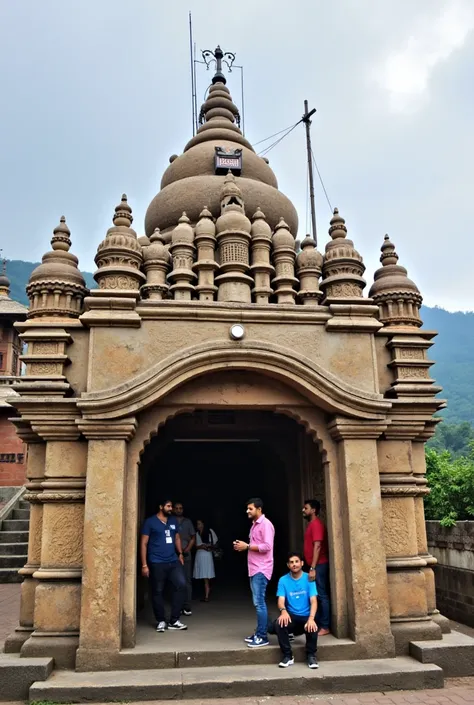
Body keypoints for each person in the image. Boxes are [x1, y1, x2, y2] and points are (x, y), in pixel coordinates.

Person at [140, 498, 188, 632]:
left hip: (173, 560)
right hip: (156, 562)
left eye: (171, 506)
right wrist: (144, 564)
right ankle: (161, 620)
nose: (170, 508)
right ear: (161, 507)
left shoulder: (173, 520)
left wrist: (180, 553)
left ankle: (174, 620)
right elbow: (143, 543)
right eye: (168, 506)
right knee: (157, 591)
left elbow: (177, 537)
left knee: (181, 584)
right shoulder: (150, 522)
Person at [233, 497, 275, 648]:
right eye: (247, 508)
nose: (247, 511)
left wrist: (248, 546)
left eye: (250, 508)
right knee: (258, 603)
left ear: (259, 509)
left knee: (259, 603)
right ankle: (261, 631)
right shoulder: (254, 525)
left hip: (261, 569)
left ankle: (262, 636)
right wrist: (243, 546)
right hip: (254, 568)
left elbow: (267, 546)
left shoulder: (266, 525)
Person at [274, 551, 319, 669]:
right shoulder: (283, 580)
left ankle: (311, 656)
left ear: (302, 563)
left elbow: (314, 601)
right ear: (288, 565)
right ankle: (288, 656)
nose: (294, 564)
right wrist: (283, 611)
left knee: (313, 625)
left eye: (296, 561)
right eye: (291, 562)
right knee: (278, 624)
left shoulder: (309, 578)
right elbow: (280, 600)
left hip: (306, 616)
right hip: (292, 616)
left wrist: (311, 618)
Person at [303, 498, 330, 636]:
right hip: (315, 565)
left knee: (321, 595)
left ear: (313, 510)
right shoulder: (312, 524)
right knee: (316, 594)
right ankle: (319, 624)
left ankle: (325, 626)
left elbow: (317, 546)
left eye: (306, 508)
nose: (303, 510)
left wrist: (313, 568)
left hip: (319, 565)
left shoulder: (316, 525)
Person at [173, 502, 196, 616]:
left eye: (180, 508)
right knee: (174, 580)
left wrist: (187, 549)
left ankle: (187, 606)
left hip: (186, 555)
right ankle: (176, 605)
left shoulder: (188, 522)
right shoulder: (170, 520)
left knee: (187, 581)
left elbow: (193, 537)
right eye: (176, 508)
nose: (178, 510)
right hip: (173, 554)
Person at [193, 519, 218, 602]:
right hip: (200, 554)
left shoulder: (209, 531)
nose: (198, 525)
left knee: (207, 574)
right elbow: (196, 546)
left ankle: (207, 595)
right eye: (197, 524)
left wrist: (208, 546)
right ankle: (205, 594)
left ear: (203, 524)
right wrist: (201, 546)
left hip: (207, 554)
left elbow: (215, 543)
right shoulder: (196, 534)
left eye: (200, 523)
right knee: (202, 575)